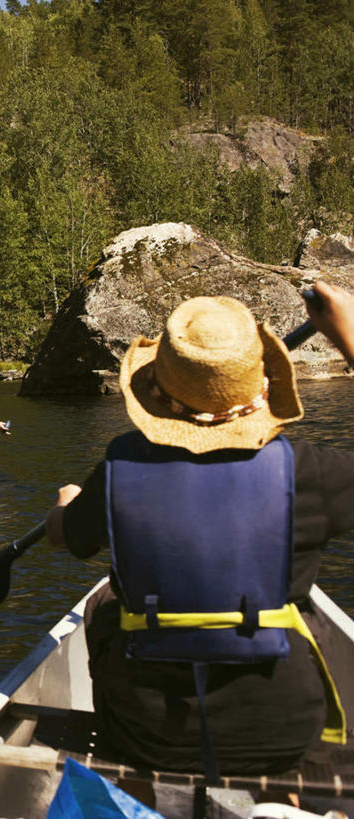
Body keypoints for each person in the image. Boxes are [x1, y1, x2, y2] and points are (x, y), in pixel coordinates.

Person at [45, 281, 354, 779]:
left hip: (145, 733)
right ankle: (287, 794)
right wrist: (350, 335)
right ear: (259, 390)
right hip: (282, 730)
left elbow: (64, 536)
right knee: (303, 602)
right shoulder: (306, 473)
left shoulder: (118, 471)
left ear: (157, 393)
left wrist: (66, 503)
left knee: (103, 602)